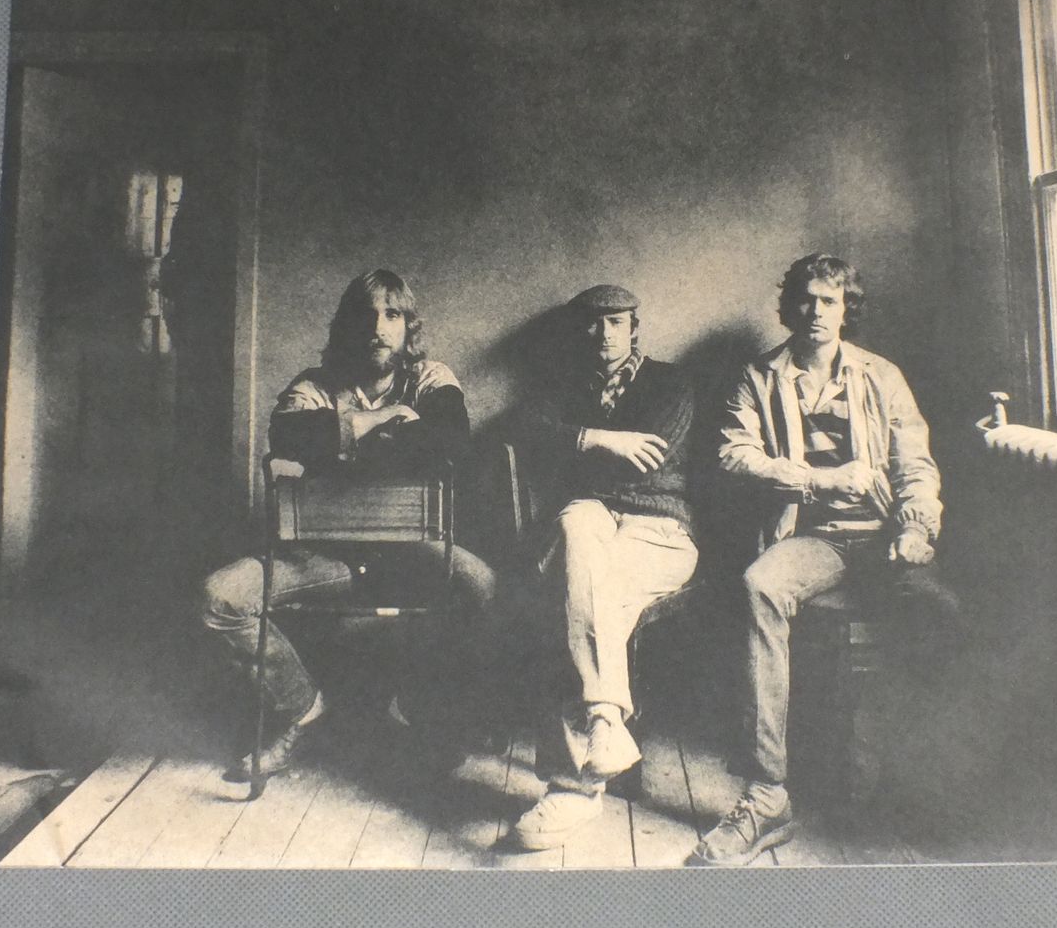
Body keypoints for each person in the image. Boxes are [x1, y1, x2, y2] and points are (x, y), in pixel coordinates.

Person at [689, 253, 954, 866]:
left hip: (887, 535)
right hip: (815, 539)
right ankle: (767, 794)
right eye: (805, 300)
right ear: (789, 307)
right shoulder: (759, 377)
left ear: (845, 309)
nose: (815, 312)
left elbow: (915, 464)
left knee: (941, 610)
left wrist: (916, 528)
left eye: (829, 301)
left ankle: (924, 784)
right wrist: (819, 479)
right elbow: (733, 453)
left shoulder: (881, 375)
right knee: (758, 585)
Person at [198, 270, 496, 780]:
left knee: (483, 587)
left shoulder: (431, 378)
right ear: (346, 326)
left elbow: (451, 443)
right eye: (366, 315)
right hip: (323, 553)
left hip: (410, 549)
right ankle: (302, 708)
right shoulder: (315, 384)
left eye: (392, 315)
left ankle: (421, 710)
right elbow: (288, 437)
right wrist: (384, 420)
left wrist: (343, 445)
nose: (378, 327)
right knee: (220, 598)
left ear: (408, 326)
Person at [507, 284, 699, 850]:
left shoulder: (670, 383)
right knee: (576, 525)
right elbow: (525, 432)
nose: (604, 334)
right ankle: (605, 725)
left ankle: (574, 787)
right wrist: (600, 437)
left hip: (659, 529)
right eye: (592, 324)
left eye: (616, 322)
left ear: (634, 328)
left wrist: (575, 451)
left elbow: (649, 463)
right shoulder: (560, 387)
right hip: (590, 519)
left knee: (582, 592)